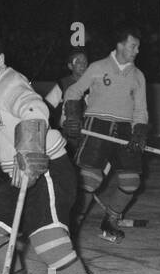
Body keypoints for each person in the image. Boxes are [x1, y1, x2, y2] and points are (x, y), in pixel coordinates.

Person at [0, 29, 108, 274]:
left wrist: (30, 144)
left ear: (0, 59)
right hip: (22, 177)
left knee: (49, 243)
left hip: (49, 172)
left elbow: (35, 108)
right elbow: (9, 136)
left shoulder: (9, 83)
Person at [62, 27, 149, 243]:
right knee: (90, 181)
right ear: (120, 46)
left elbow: (140, 109)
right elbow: (73, 92)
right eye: (133, 46)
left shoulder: (138, 76)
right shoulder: (98, 67)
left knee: (131, 181)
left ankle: (110, 222)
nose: (137, 50)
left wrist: (139, 131)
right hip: (96, 127)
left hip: (125, 129)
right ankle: (69, 228)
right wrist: (73, 116)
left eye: (137, 47)